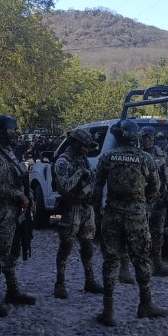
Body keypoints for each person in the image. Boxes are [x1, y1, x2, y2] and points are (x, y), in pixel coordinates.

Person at [92, 119, 167, 326]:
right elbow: (155, 186)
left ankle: (108, 310)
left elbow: (97, 187)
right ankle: (146, 304)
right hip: (137, 214)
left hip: (112, 214)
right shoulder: (145, 158)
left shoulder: (107, 157)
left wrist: (97, 212)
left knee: (111, 261)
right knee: (141, 259)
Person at [0, 114, 36, 317]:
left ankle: (13, 291)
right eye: (11, 130)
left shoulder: (7, 152)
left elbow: (20, 178)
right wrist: (18, 195)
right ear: (0, 132)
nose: (14, 134)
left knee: (12, 254)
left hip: (16, 211)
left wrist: (29, 197)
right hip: (2, 211)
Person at [52, 128, 105, 299]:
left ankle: (89, 280)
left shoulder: (83, 159)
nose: (86, 150)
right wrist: (79, 173)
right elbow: (64, 187)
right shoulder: (62, 162)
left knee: (88, 245)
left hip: (86, 208)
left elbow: (91, 181)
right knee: (66, 246)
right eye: (84, 146)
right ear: (75, 143)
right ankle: (60, 283)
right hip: (71, 208)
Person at [139, 126, 168, 277]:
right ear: (140, 139)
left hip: (159, 201)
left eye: (150, 139)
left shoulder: (161, 155)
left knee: (158, 234)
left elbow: (167, 178)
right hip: (142, 200)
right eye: (145, 138)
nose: (148, 141)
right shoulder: (137, 155)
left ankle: (158, 265)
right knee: (141, 234)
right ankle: (141, 266)